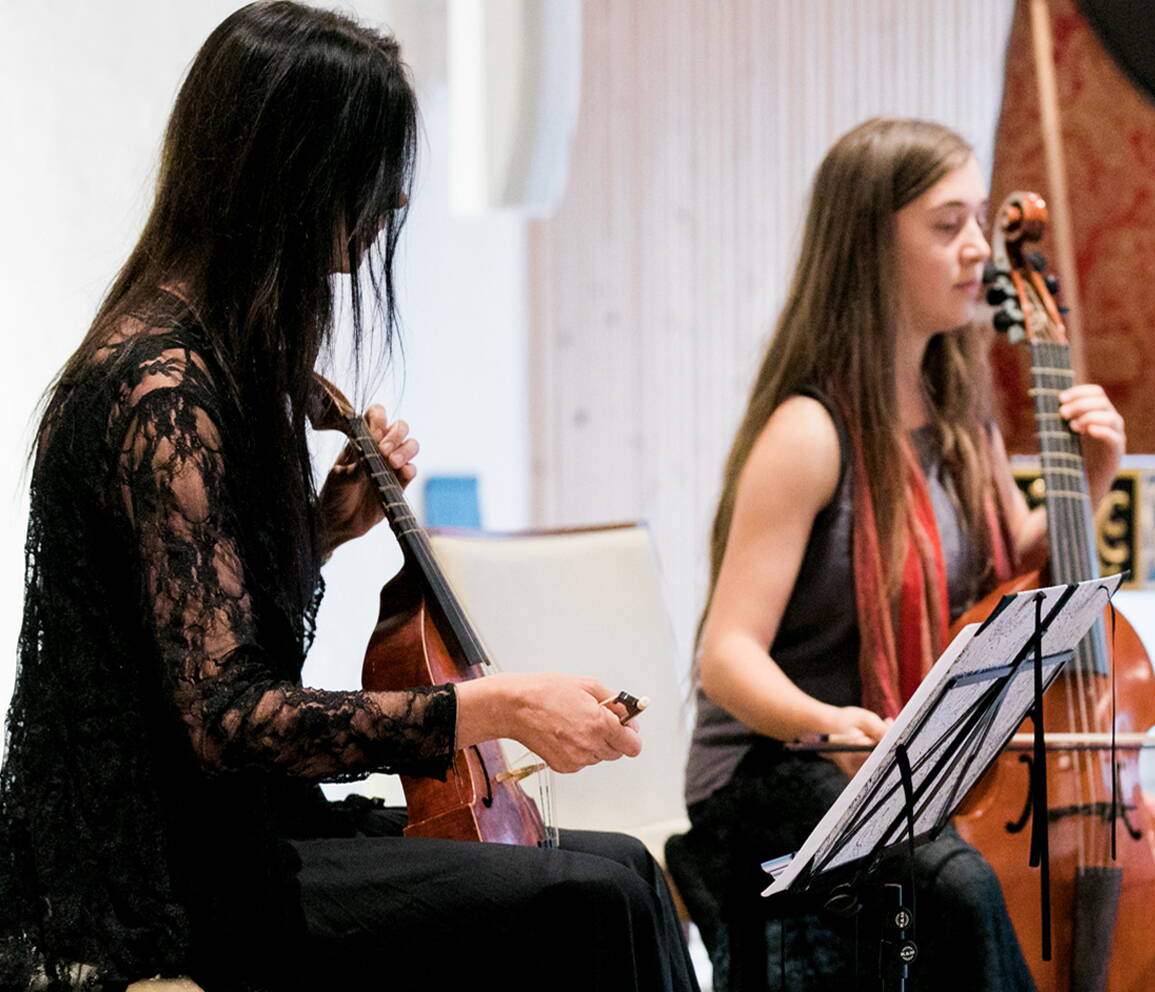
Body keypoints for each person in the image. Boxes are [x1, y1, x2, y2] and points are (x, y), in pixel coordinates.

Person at [0, 5, 695, 990]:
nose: (391, 200)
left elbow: (198, 637)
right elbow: (229, 719)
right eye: (370, 171)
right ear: (291, 173)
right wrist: (486, 706)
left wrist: (322, 531)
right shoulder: (162, 389)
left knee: (625, 866)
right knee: (594, 900)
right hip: (162, 878)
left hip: (238, 835)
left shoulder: (215, 362)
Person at [675, 117, 1155, 992]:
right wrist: (832, 726)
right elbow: (725, 657)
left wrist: (1087, 480)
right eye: (948, 227)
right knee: (961, 885)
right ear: (870, 247)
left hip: (919, 753)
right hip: (779, 767)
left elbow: (1008, 564)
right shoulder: (808, 432)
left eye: (979, 221)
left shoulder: (957, 414)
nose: (979, 248)